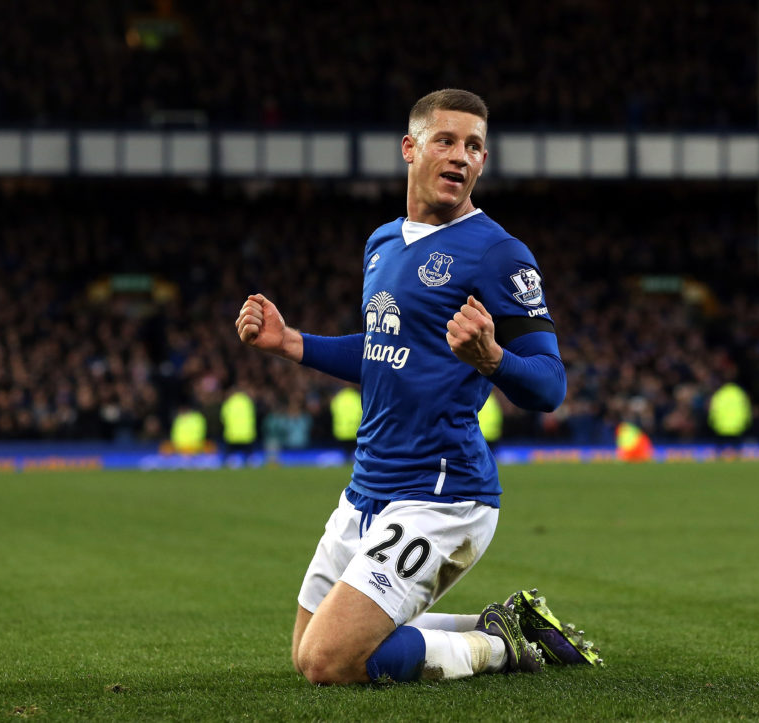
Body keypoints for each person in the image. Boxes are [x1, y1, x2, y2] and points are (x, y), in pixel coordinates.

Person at [235, 89, 601, 685]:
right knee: (307, 650)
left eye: (475, 146)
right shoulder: (382, 243)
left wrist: (492, 357)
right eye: (446, 140)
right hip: (367, 487)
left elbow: (549, 385)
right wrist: (291, 342)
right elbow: (384, 353)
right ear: (410, 148)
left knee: (330, 662)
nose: (461, 156)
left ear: (483, 163)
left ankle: (499, 651)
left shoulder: (500, 254)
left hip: (441, 492)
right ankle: (505, 624)